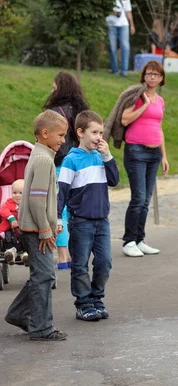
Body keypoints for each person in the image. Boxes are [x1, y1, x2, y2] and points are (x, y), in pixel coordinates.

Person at [5, 110, 69, 341]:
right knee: (44, 277)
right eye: (60, 135)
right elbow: (36, 199)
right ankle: (41, 328)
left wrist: (51, 224)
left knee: (42, 275)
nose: (63, 140)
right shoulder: (43, 159)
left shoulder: (41, 155)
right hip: (36, 229)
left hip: (37, 227)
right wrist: (44, 228)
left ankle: (17, 313)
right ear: (45, 133)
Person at [57, 111, 119, 321]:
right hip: (80, 222)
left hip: (102, 221)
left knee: (104, 263)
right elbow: (62, 192)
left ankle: (97, 298)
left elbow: (114, 180)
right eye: (94, 132)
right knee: (80, 264)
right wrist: (58, 218)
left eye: (101, 132)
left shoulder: (100, 157)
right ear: (80, 132)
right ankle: (83, 303)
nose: (99, 137)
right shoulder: (70, 160)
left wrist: (108, 156)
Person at [121, 60, 170, 257]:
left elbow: (158, 128)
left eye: (156, 75)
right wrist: (144, 105)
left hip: (154, 154)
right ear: (144, 76)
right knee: (138, 197)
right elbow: (124, 119)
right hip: (136, 152)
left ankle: (139, 239)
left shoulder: (160, 100)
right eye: (149, 74)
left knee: (146, 199)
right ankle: (128, 241)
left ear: (161, 79)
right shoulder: (136, 96)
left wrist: (164, 156)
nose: (152, 77)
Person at [43, 71, 90, 269]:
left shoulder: (54, 111)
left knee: (59, 207)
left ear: (59, 88)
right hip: (80, 163)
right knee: (75, 207)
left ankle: (63, 256)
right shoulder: (82, 109)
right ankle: (75, 252)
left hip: (61, 162)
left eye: (54, 87)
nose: (51, 90)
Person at [106, 0, 135, 76]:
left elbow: (128, 11)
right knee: (112, 47)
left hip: (123, 24)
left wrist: (132, 25)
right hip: (111, 24)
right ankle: (115, 70)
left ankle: (124, 71)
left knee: (125, 47)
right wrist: (112, 11)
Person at [0, 179, 28, 266]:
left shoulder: (27, 204)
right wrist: (11, 218)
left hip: (24, 231)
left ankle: (26, 255)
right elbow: (3, 210)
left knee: (28, 239)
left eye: (20, 193)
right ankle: (10, 254)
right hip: (10, 231)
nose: (17, 195)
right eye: (14, 193)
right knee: (8, 238)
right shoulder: (9, 202)